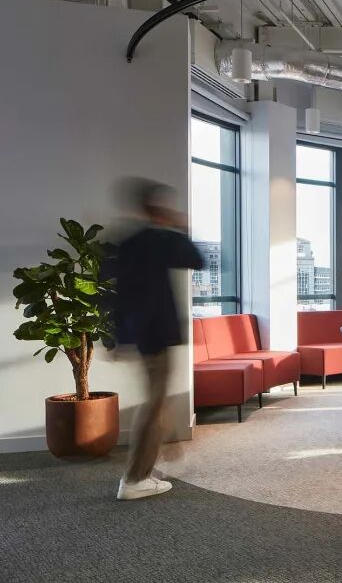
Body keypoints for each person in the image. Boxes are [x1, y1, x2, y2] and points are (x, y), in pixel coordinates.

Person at [114, 178, 205, 501]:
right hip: (158, 334)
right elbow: (197, 261)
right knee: (154, 405)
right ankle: (135, 478)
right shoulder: (160, 241)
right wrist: (181, 228)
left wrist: (120, 338)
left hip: (140, 335)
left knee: (157, 401)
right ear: (158, 208)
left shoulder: (127, 242)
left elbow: (118, 295)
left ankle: (160, 453)